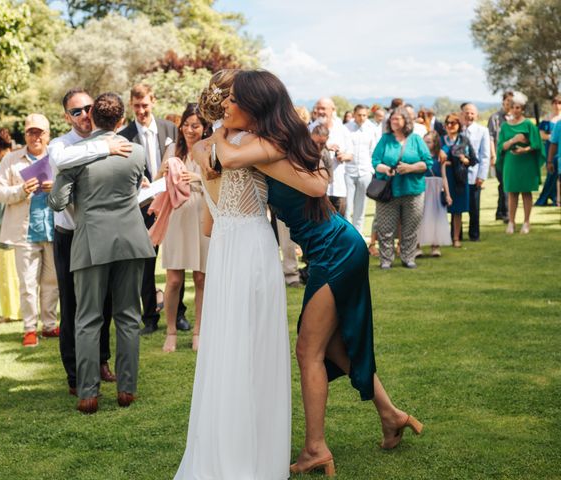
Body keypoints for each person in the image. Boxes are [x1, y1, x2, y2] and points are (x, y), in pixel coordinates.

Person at [211, 70, 422, 477]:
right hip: (333, 246)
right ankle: (391, 414)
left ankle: (315, 448)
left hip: (335, 249)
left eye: (234, 100)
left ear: (256, 105)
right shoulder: (275, 140)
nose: (226, 106)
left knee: (308, 350)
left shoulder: (266, 145)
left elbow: (233, 160)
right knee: (333, 347)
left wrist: (216, 132)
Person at [174, 70, 292, 479]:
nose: (228, 106)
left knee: (226, 348)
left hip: (223, 248)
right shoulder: (255, 144)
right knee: (254, 348)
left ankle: (222, 451)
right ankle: (252, 458)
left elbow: (208, 224)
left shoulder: (204, 149)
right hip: (252, 247)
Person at [48, 92, 155, 414]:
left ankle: (88, 393)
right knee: (128, 316)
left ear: (92, 116)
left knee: (87, 318)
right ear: (122, 120)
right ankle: (127, 389)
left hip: (92, 239)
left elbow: (56, 202)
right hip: (132, 240)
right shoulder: (135, 152)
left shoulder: (76, 154)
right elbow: (138, 188)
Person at [119, 83, 190, 334]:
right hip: (143, 206)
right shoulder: (124, 136)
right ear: (131, 105)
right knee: (145, 263)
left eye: (145, 105)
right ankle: (149, 316)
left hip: (171, 204)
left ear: (154, 101)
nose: (141, 110)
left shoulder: (170, 129)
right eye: (136, 106)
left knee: (176, 260)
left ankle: (179, 313)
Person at [0, 114, 59, 347]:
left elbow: (73, 189)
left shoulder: (57, 158)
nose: (36, 137)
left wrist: (56, 188)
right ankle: (30, 328)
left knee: (52, 282)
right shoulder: (11, 160)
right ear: (25, 134)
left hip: (53, 228)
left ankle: (50, 325)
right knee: (28, 283)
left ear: (48, 134)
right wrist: (21, 190)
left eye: (40, 132)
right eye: (31, 132)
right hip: (24, 232)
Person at [155, 104, 210, 353]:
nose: (190, 129)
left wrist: (197, 178)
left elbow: (219, 181)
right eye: (186, 125)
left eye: (195, 125)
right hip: (177, 218)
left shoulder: (210, 150)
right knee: (174, 279)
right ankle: (171, 331)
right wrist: (161, 172)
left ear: (204, 127)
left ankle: (199, 330)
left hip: (201, 216)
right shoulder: (172, 150)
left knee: (201, 278)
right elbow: (158, 185)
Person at [373, 107, 433, 268]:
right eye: (392, 119)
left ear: (406, 121)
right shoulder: (385, 139)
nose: (394, 121)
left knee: (411, 227)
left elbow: (427, 162)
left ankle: (408, 258)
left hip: (413, 190)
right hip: (388, 191)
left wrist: (410, 168)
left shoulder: (416, 140)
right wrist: (385, 169)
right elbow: (375, 161)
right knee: (385, 228)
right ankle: (386, 260)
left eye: (397, 119)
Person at [0, 128, 22, 324]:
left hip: (5, 226)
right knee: (15, 271)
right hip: (13, 225)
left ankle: (12, 312)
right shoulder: (13, 161)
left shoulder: (4, 165)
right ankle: (15, 311)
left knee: (8, 273)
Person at [497, 91, 545, 234]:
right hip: (511, 162)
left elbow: (537, 145)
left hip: (526, 162)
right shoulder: (505, 126)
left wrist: (525, 149)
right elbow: (501, 147)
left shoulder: (529, 125)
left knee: (526, 192)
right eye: (513, 107)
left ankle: (526, 222)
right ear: (510, 108)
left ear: (523, 109)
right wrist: (514, 140)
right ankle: (511, 222)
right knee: (512, 192)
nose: (515, 110)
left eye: (518, 107)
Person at [309, 97, 353, 215]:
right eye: (318, 108)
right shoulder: (309, 129)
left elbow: (351, 155)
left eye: (323, 108)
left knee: (340, 225)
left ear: (333, 110)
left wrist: (343, 156)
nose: (320, 111)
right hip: (317, 188)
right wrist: (324, 146)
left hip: (338, 187)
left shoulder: (342, 129)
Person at [441, 113, 478, 248]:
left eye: (453, 123)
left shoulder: (464, 140)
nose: (450, 126)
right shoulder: (440, 140)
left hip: (460, 178)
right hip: (444, 177)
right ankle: (442, 238)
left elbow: (473, 159)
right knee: (441, 209)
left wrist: (465, 160)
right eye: (448, 123)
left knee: (458, 210)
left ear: (459, 125)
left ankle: (456, 238)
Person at [460, 103, 490, 242]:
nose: (469, 115)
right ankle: (456, 234)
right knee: (457, 207)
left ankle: (474, 234)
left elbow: (485, 155)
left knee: (474, 207)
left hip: (474, 174)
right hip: (458, 175)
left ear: (476, 115)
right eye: (466, 112)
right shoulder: (456, 130)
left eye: (472, 113)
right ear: (462, 114)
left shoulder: (482, 131)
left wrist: (482, 176)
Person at [418, 131, 452, 256]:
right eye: (424, 141)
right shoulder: (419, 156)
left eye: (429, 142)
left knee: (437, 216)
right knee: (420, 216)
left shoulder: (440, 156)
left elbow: (444, 176)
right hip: (423, 186)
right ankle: (417, 246)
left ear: (435, 143)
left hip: (436, 188)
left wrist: (447, 194)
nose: (426, 144)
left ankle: (435, 245)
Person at [344, 104, 377, 234]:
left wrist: (371, 169)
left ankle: (358, 234)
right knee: (347, 207)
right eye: (359, 115)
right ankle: (347, 235)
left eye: (364, 115)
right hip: (348, 171)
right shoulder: (346, 128)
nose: (362, 118)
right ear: (354, 114)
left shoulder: (372, 129)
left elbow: (373, 151)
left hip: (365, 171)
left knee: (361, 207)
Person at [488, 91, 513, 222]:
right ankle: (507, 213)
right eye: (508, 101)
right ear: (503, 101)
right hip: (499, 156)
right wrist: (493, 155)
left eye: (512, 101)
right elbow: (491, 137)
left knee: (504, 184)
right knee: (505, 184)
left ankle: (500, 211)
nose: (510, 104)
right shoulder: (495, 118)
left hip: (512, 157)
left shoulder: (515, 117)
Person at [535, 94, 561, 206]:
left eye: (559, 103)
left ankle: (556, 197)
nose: (557, 105)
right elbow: (541, 134)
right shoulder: (547, 118)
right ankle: (547, 197)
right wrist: (554, 136)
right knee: (552, 173)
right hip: (550, 147)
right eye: (555, 103)